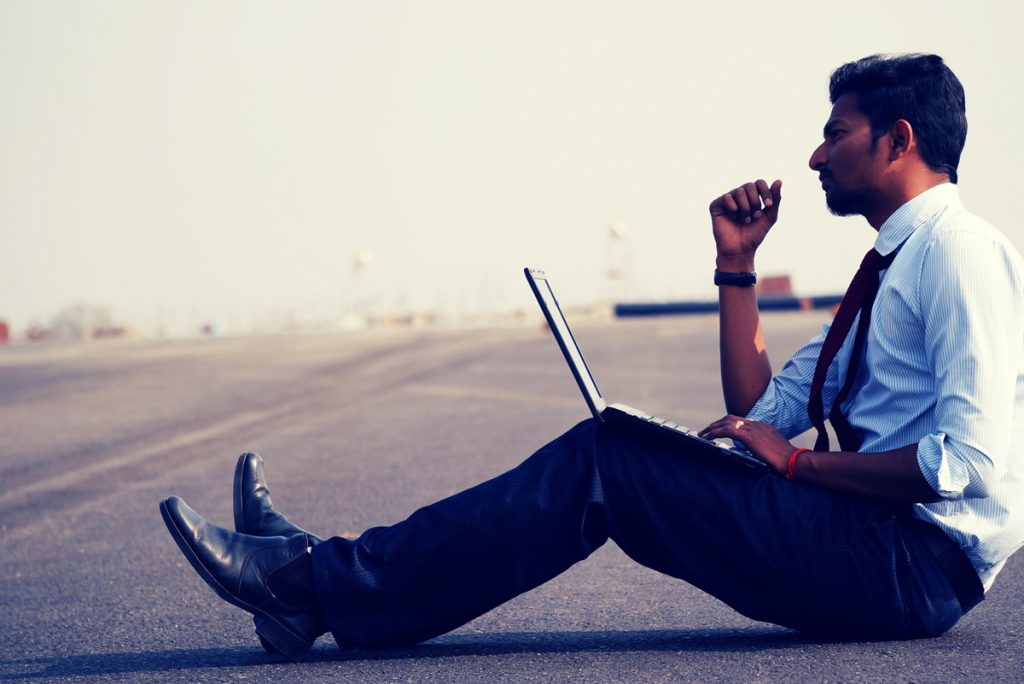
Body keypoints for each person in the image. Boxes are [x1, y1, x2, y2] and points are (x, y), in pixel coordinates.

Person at [160, 53, 1024, 660]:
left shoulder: (957, 251)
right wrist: (736, 265)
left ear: (898, 140)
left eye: (836, 132)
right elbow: (762, 409)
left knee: (610, 460)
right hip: (871, 545)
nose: (814, 153)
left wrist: (794, 465)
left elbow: (968, 463)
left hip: (909, 569)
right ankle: (314, 578)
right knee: (620, 448)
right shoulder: (895, 263)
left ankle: (309, 583)